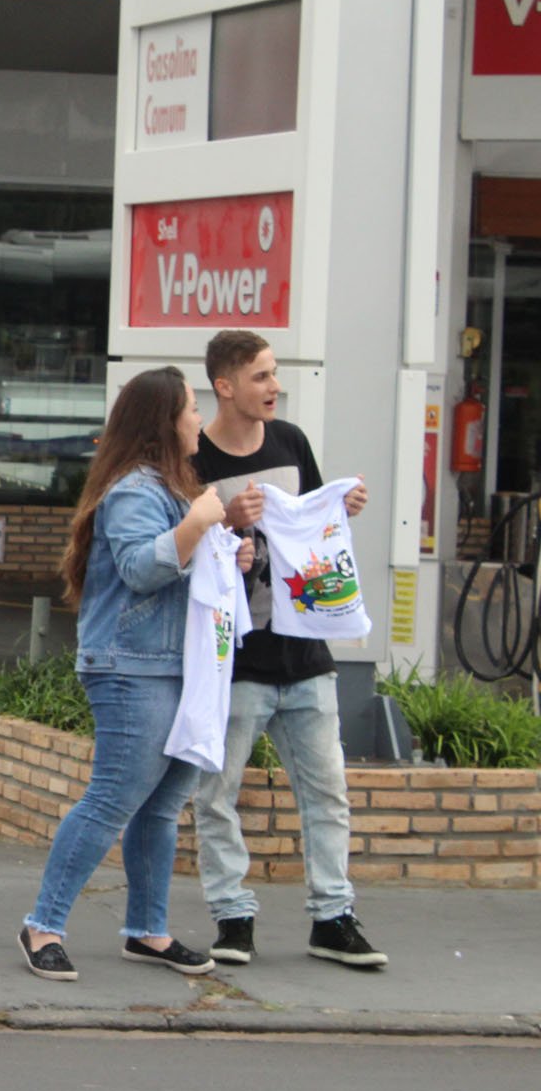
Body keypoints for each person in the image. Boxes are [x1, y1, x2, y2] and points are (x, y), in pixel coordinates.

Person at [18, 366, 245, 983]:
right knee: (113, 798)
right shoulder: (135, 491)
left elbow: (184, 570)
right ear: (164, 421)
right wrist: (198, 525)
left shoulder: (173, 487)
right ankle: (43, 925)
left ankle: (148, 930)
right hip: (131, 666)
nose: (200, 420)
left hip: (177, 666)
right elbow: (142, 569)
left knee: (162, 806)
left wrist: (227, 548)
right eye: (192, 408)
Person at [189, 330, 386, 968]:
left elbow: (314, 530)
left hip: (307, 656)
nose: (275, 387)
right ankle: (233, 917)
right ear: (225, 386)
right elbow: (182, 550)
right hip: (237, 661)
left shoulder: (292, 442)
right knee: (216, 795)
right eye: (262, 376)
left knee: (327, 794)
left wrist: (342, 506)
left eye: (275, 374)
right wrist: (227, 521)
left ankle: (333, 917)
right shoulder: (195, 459)